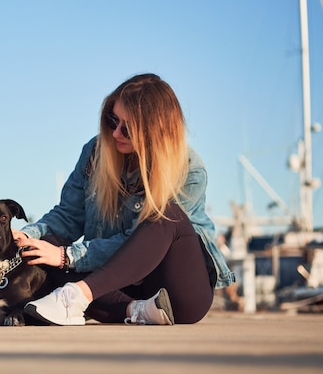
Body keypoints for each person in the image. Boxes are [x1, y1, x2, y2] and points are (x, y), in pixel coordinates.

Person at [13, 73, 236, 326]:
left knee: (167, 214)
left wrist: (67, 256)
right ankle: (134, 310)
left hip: (175, 295)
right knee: (43, 247)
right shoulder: (95, 153)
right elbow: (68, 215)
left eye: (127, 128)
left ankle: (76, 297)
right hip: (118, 290)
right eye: (112, 120)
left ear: (156, 131)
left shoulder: (188, 170)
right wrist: (28, 236)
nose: (116, 132)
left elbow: (137, 244)